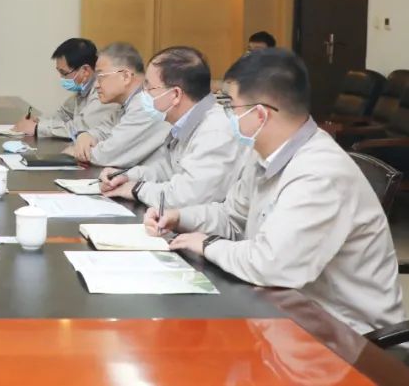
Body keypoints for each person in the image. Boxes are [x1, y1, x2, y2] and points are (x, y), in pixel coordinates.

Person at [147, 48, 405, 336]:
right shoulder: (264, 154)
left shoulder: (319, 173)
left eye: (230, 106)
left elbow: (270, 265)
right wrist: (180, 217)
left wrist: (207, 245)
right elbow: (232, 217)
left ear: (259, 114)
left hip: (348, 337)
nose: (226, 115)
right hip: (285, 310)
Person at [99, 46, 246, 207]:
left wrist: (137, 189)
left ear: (175, 94)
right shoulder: (185, 123)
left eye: (149, 88)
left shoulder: (216, 130)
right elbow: (168, 169)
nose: (143, 94)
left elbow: (187, 197)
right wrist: (127, 176)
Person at [68, 42, 170, 167]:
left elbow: (108, 155)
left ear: (125, 76)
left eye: (101, 77)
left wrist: (75, 152)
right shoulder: (126, 104)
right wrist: (86, 135)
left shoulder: (147, 105)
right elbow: (104, 130)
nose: (96, 85)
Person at [13, 38, 120, 140]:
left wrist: (37, 128)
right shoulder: (83, 89)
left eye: (64, 73)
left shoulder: (103, 92)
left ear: (85, 70)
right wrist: (37, 121)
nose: (61, 78)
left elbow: (81, 128)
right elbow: (62, 115)